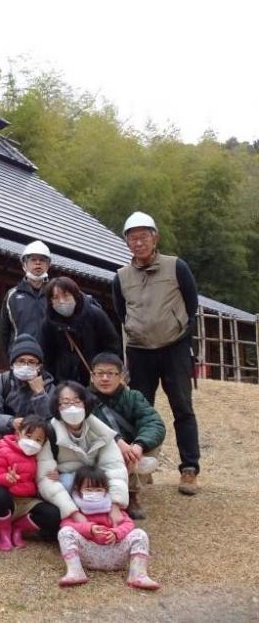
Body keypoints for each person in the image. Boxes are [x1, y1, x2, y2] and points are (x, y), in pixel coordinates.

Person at [112, 211, 200, 495]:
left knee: (182, 408)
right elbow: (121, 312)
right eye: (132, 238)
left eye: (143, 236)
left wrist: (182, 336)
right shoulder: (121, 277)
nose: (138, 243)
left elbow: (191, 303)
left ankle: (189, 469)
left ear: (155, 237)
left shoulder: (177, 266)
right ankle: (141, 464)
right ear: (126, 243)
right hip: (140, 352)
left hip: (174, 348)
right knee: (139, 409)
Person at [87, 353, 166, 519]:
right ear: (92, 376)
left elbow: (154, 424)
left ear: (121, 376)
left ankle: (131, 493)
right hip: (100, 450)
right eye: (100, 373)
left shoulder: (134, 397)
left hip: (131, 450)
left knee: (152, 443)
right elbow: (88, 428)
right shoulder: (84, 399)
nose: (105, 378)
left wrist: (139, 445)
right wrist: (116, 442)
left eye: (111, 373)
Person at [37, 382, 129, 522]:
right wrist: (73, 513)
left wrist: (115, 506)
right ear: (56, 407)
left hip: (94, 484)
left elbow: (114, 468)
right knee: (67, 482)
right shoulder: (49, 432)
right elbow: (45, 479)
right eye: (65, 403)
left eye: (77, 401)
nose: (72, 407)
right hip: (66, 487)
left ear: (86, 404)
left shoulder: (101, 431)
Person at [57, 466, 159, 590]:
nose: (94, 493)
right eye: (89, 489)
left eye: (98, 489)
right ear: (78, 489)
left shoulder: (112, 508)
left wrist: (116, 533)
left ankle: (137, 575)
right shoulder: (76, 510)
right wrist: (88, 529)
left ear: (106, 490)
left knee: (140, 533)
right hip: (88, 555)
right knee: (64, 532)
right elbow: (66, 524)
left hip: (115, 554)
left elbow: (128, 524)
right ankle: (75, 572)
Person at [0, 415, 61, 552]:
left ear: (43, 443)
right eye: (28, 435)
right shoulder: (1, 449)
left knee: (53, 515)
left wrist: (56, 474)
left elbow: (45, 474)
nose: (32, 442)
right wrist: (6, 479)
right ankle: (3, 534)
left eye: (38, 440)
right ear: (17, 434)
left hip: (28, 501)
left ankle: (18, 529)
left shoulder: (38, 456)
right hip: (8, 500)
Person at [39, 276, 121, 386]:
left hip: (95, 380)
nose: (61, 301)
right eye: (55, 298)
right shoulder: (49, 322)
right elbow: (46, 356)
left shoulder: (95, 314)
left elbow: (112, 346)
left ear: (75, 295)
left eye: (66, 295)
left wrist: (103, 370)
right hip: (64, 381)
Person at [0, 335, 56, 438]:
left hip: (36, 435)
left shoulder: (48, 386)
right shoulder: (1, 381)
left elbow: (52, 422)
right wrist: (11, 422)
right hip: (6, 430)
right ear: (12, 364)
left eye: (31, 362)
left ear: (39, 366)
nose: (26, 366)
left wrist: (40, 394)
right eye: (21, 361)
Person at [0, 240, 52, 355]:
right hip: (20, 356)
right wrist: (10, 354)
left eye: (42, 260)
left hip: (49, 358)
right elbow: (5, 331)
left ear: (48, 265)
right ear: (24, 264)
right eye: (33, 260)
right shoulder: (12, 295)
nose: (38, 263)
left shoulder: (54, 294)